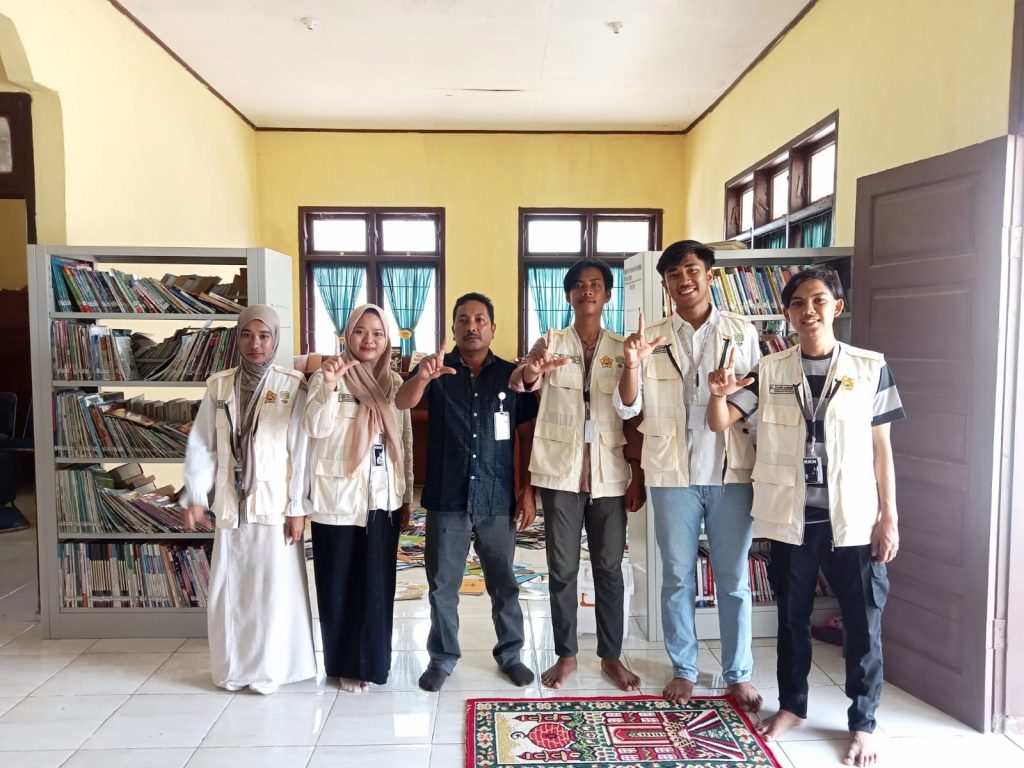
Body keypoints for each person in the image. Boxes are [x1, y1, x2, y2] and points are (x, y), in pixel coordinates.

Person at [707, 268, 904, 767]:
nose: (808, 310)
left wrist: (889, 517)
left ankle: (863, 722)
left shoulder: (870, 367)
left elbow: (882, 449)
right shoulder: (770, 369)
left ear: (837, 306)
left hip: (853, 518)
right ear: (787, 313)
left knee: (863, 623)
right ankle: (793, 706)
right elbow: (719, 421)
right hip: (790, 516)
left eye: (818, 300)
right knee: (791, 620)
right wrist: (718, 393)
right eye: (797, 303)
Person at [613, 240, 762, 712]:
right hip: (671, 471)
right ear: (665, 285)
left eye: (692, 270)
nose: (684, 280)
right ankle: (684, 668)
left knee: (733, 577)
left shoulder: (742, 332)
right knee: (677, 576)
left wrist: (727, 404)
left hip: (730, 471)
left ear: (710, 276)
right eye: (674, 274)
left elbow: (756, 397)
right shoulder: (650, 337)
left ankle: (738, 673)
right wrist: (632, 365)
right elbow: (627, 406)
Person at [510, 259, 645, 692]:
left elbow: (633, 413)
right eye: (580, 285)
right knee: (562, 568)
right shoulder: (551, 342)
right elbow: (521, 382)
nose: (588, 291)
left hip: (609, 473)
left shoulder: (622, 347)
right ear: (569, 295)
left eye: (596, 284)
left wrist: (638, 474)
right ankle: (566, 654)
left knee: (609, 567)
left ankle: (611, 656)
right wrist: (534, 368)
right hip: (559, 473)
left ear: (607, 295)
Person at [395, 292, 538, 692]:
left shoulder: (511, 376)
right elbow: (402, 401)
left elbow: (527, 435)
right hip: (447, 498)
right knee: (443, 585)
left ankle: (511, 654)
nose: (471, 327)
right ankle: (442, 657)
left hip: (497, 497)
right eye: (463, 320)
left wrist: (527, 491)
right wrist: (422, 377)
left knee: (504, 583)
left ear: (493, 328)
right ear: (453, 328)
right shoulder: (436, 371)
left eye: (479, 320)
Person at [182, 304, 317, 694]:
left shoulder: (291, 384)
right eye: (246, 335)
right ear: (237, 338)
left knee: (271, 590)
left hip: (273, 504)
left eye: (264, 336)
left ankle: (270, 670)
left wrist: (297, 508)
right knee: (231, 591)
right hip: (231, 503)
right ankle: (233, 670)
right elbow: (202, 444)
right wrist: (195, 495)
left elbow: (301, 452)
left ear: (275, 339)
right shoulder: (219, 386)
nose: (255, 344)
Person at [302, 303, 413, 692]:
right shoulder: (327, 376)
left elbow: (404, 441)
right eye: (361, 331)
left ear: (387, 340)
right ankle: (343, 664)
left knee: (377, 586)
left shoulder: (394, 383)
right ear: (347, 335)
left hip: (382, 498)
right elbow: (313, 428)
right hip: (337, 499)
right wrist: (330, 387)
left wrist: (407, 493)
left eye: (378, 333)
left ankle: (373, 662)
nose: (369, 339)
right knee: (338, 585)